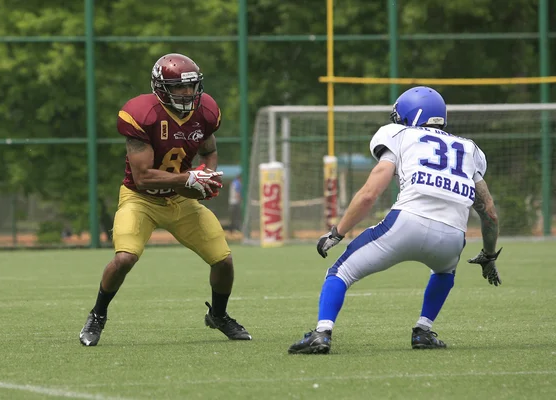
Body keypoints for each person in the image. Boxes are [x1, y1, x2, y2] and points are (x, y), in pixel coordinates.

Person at [288, 86, 501, 354]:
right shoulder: (469, 150)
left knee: (339, 272)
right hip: (452, 236)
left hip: (406, 223)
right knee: (445, 272)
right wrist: (489, 255)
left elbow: (369, 193)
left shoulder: (399, 134)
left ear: (410, 115)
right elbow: (489, 210)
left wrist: (337, 233)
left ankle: (322, 333)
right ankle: (423, 332)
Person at [79, 53, 252, 346]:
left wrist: (205, 175)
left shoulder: (206, 110)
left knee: (223, 261)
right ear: (160, 88)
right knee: (124, 258)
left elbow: (208, 150)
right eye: (179, 87)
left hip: (180, 200)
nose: (187, 93)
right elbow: (144, 176)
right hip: (140, 199)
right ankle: (97, 315)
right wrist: (188, 178)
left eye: (191, 86)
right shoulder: (142, 114)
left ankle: (219, 315)